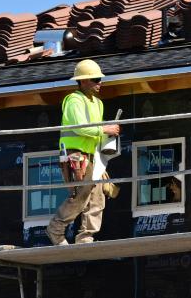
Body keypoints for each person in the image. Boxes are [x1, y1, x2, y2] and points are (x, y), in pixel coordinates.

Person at [46, 59, 120, 245]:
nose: (99, 83)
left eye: (100, 79)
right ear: (83, 81)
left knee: (98, 197)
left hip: (92, 156)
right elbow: (81, 128)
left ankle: (85, 237)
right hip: (75, 155)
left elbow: (94, 134)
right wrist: (106, 130)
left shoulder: (98, 103)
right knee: (81, 194)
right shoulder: (74, 100)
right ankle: (55, 230)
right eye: (95, 79)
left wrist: (105, 150)